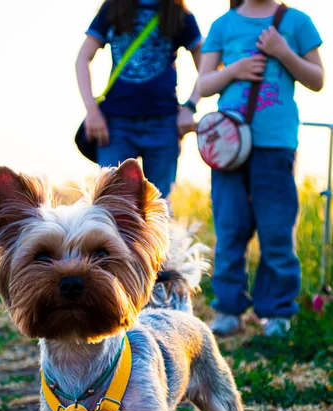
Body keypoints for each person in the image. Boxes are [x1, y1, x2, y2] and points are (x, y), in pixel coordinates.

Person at [198, 0, 324, 337]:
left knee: (277, 230)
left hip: (275, 144)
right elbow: (204, 84)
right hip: (229, 145)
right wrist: (233, 71)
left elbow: (317, 79)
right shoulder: (223, 25)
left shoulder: (297, 22)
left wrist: (283, 52)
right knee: (229, 227)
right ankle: (228, 309)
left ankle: (277, 313)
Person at [76, 0, 202, 201]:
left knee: (158, 208)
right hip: (115, 125)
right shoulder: (113, 7)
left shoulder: (178, 13)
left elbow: (206, 65)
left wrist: (190, 107)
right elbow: (83, 58)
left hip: (164, 124)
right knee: (109, 203)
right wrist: (92, 111)